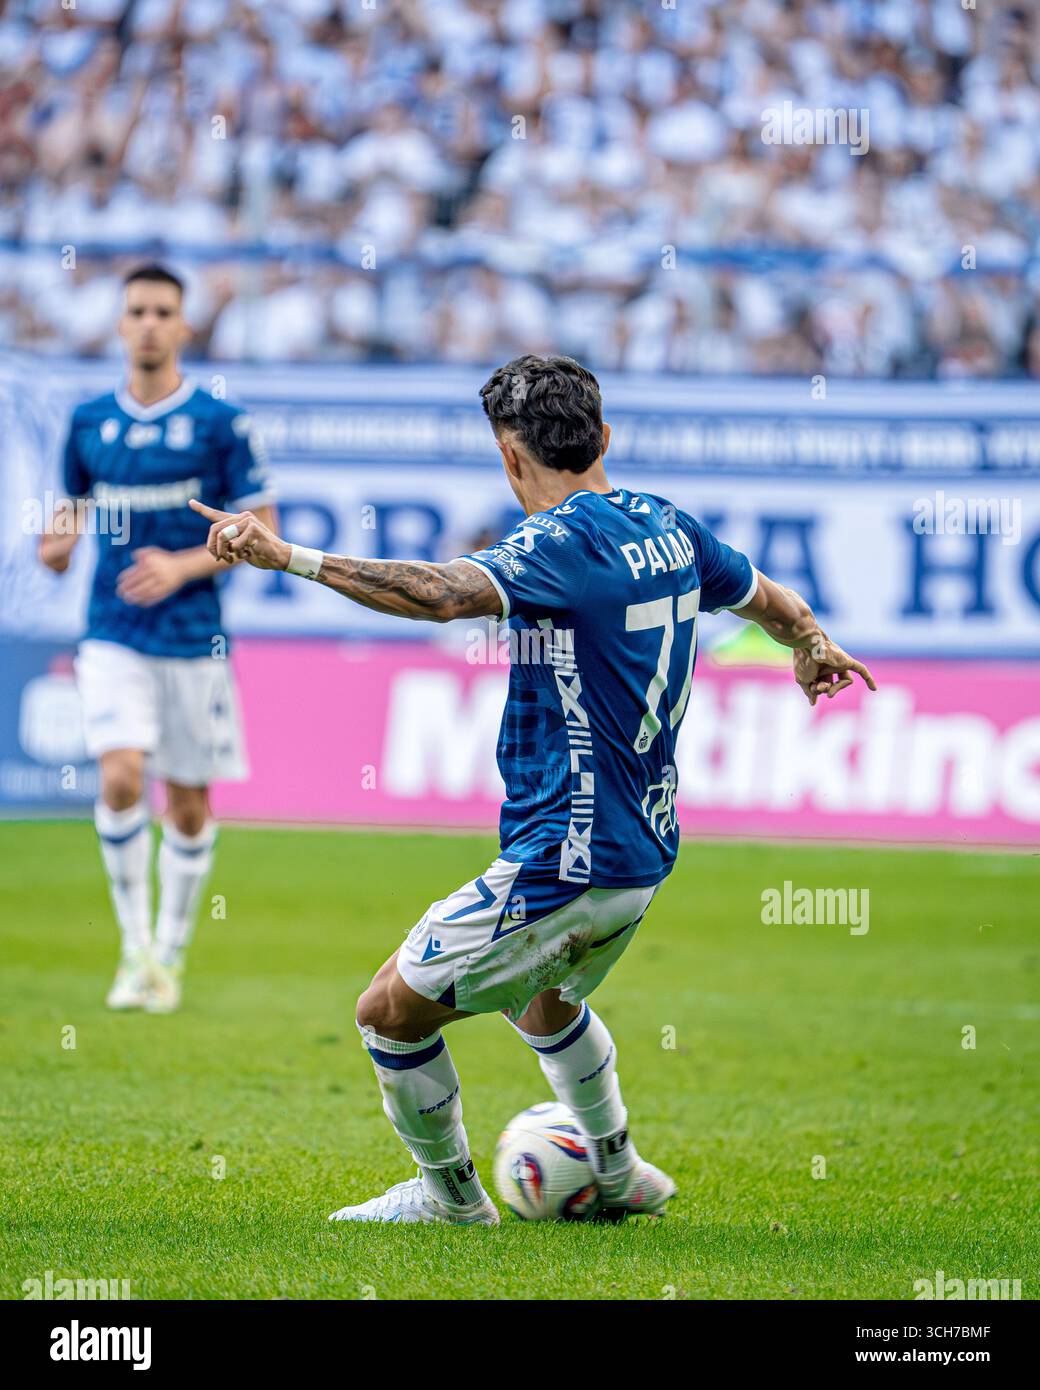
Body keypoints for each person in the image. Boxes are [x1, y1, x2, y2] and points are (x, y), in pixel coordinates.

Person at [190, 354, 875, 1223]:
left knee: (387, 1014)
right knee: (546, 1002)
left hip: (568, 857)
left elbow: (441, 595)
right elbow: (766, 599)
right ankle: (618, 1171)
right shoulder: (670, 526)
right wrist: (810, 640)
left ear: (511, 460)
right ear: (605, 438)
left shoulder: (559, 545)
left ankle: (451, 1201)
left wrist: (285, 555)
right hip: (642, 858)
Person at [39, 264, 277, 1014]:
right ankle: (134, 949)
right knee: (118, 775)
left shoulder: (219, 423)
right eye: (136, 309)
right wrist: (58, 540)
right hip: (112, 631)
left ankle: (170, 953)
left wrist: (182, 564)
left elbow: (262, 530)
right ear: (119, 324)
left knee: (188, 804)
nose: (147, 322)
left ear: (183, 327)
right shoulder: (87, 422)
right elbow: (73, 504)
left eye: (162, 311)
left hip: (194, 637)